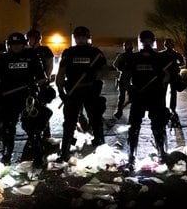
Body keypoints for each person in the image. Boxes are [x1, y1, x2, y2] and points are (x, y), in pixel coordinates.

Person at [0, 32, 48, 166]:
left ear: (24, 44)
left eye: (19, 44)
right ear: (9, 46)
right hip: (9, 98)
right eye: (13, 45)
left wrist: (39, 86)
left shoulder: (32, 57)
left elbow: (41, 76)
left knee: (33, 128)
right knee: (8, 128)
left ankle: (38, 154)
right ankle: (6, 154)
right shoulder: (3, 59)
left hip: (27, 98)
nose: (16, 47)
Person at [55, 26, 107, 162]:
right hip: (73, 91)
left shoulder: (96, 53)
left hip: (90, 89)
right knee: (69, 121)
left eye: (83, 37)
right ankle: (65, 150)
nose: (81, 39)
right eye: (78, 37)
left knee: (95, 118)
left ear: (88, 37)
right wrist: (61, 92)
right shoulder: (68, 53)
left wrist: (96, 75)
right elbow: (60, 74)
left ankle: (100, 145)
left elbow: (105, 71)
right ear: (75, 38)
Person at [126, 30, 169, 170]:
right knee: (134, 127)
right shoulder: (134, 57)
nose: (146, 43)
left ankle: (161, 153)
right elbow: (126, 75)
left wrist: (162, 85)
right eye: (144, 40)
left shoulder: (159, 57)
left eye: (148, 40)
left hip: (155, 95)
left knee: (158, 126)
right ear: (141, 42)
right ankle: (131, 156)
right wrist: (129, 89)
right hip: (139, 94)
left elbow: (167, 74)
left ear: (152, 41)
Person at [26, 29, 57, 144]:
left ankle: (46, 131)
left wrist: (45, 79)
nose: (29, 41)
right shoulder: (26, 51)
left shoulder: (45, 50)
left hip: (41, 83)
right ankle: (32, 132)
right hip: (29, 84)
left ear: (37, 39)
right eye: (28, 39)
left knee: (42, 107)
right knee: (30, 108)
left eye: (31, 38)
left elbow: (49, 65)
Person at [160, 38, 186, 127]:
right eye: (168, 44)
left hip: (174, 75)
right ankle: (164, 107)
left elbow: (182, 63)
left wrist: (176, 64)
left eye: (170, 44)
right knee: (163, 92)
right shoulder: (162, 54)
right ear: (165, 45)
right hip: (165, 75)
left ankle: (172, 108)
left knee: (173, 92)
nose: (169, 46)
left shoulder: (176, 54)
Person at [112, 40, 134, 119]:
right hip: (126, 77)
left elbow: (115, 64)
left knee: (125, 96)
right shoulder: (123, 56)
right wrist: (122, 68)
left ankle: (121, 112)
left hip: (130, 77)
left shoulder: (127, 56)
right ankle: (119, 111)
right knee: (123, 96)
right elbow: (115, 64)